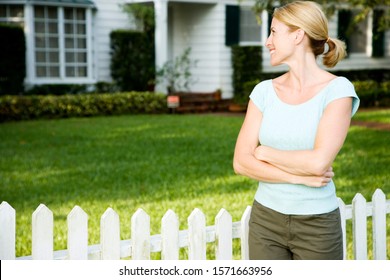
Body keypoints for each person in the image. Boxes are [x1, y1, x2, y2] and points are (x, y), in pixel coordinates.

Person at [233, 1, 360, 260]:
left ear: (298, 35)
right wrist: (298, 178)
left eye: (274, 32)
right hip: (265, 220)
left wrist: (264, 152)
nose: (268, 41)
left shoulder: (338, 91)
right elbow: (240, 163)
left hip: (317, 225)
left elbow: (318, 162)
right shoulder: (263, 92)